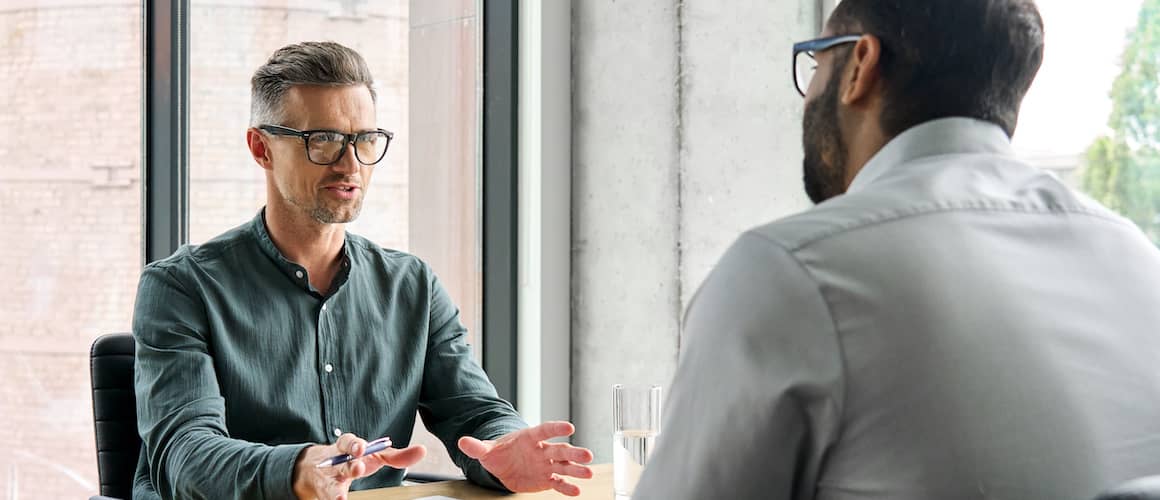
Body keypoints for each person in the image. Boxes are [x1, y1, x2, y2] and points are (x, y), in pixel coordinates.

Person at [632, 1, 1160, 499]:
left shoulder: (792, 272)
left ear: (860, 63)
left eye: (816, 62)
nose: (811, 88)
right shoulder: (1137, 260)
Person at [131, 41, 593, 500]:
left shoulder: (412, 287)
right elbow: (185, 456)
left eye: (365, 139)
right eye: (324, 140)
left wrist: (501, 446)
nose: (350, 164)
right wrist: (298, 470)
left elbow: (474, 413)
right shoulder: (180, 287)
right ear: (261, 148)